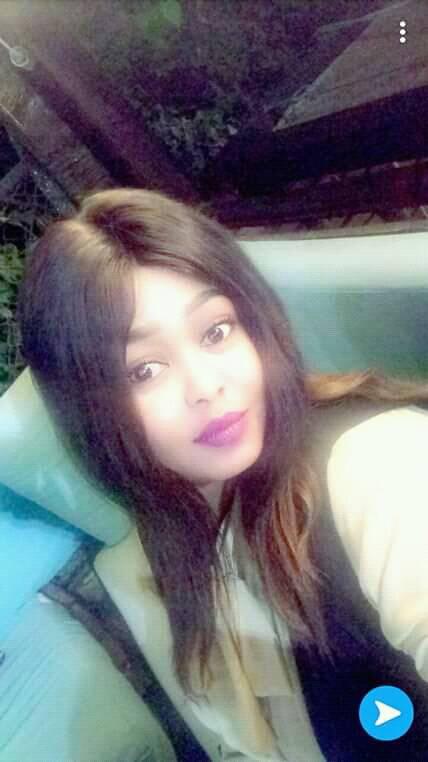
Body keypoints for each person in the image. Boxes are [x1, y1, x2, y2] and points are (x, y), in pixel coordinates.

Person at [16, 187, 428, 761]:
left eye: (215, 331)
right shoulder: (158, 552)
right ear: (92, 411)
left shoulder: (375, 461)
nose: (205, 386)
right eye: (144, 369)